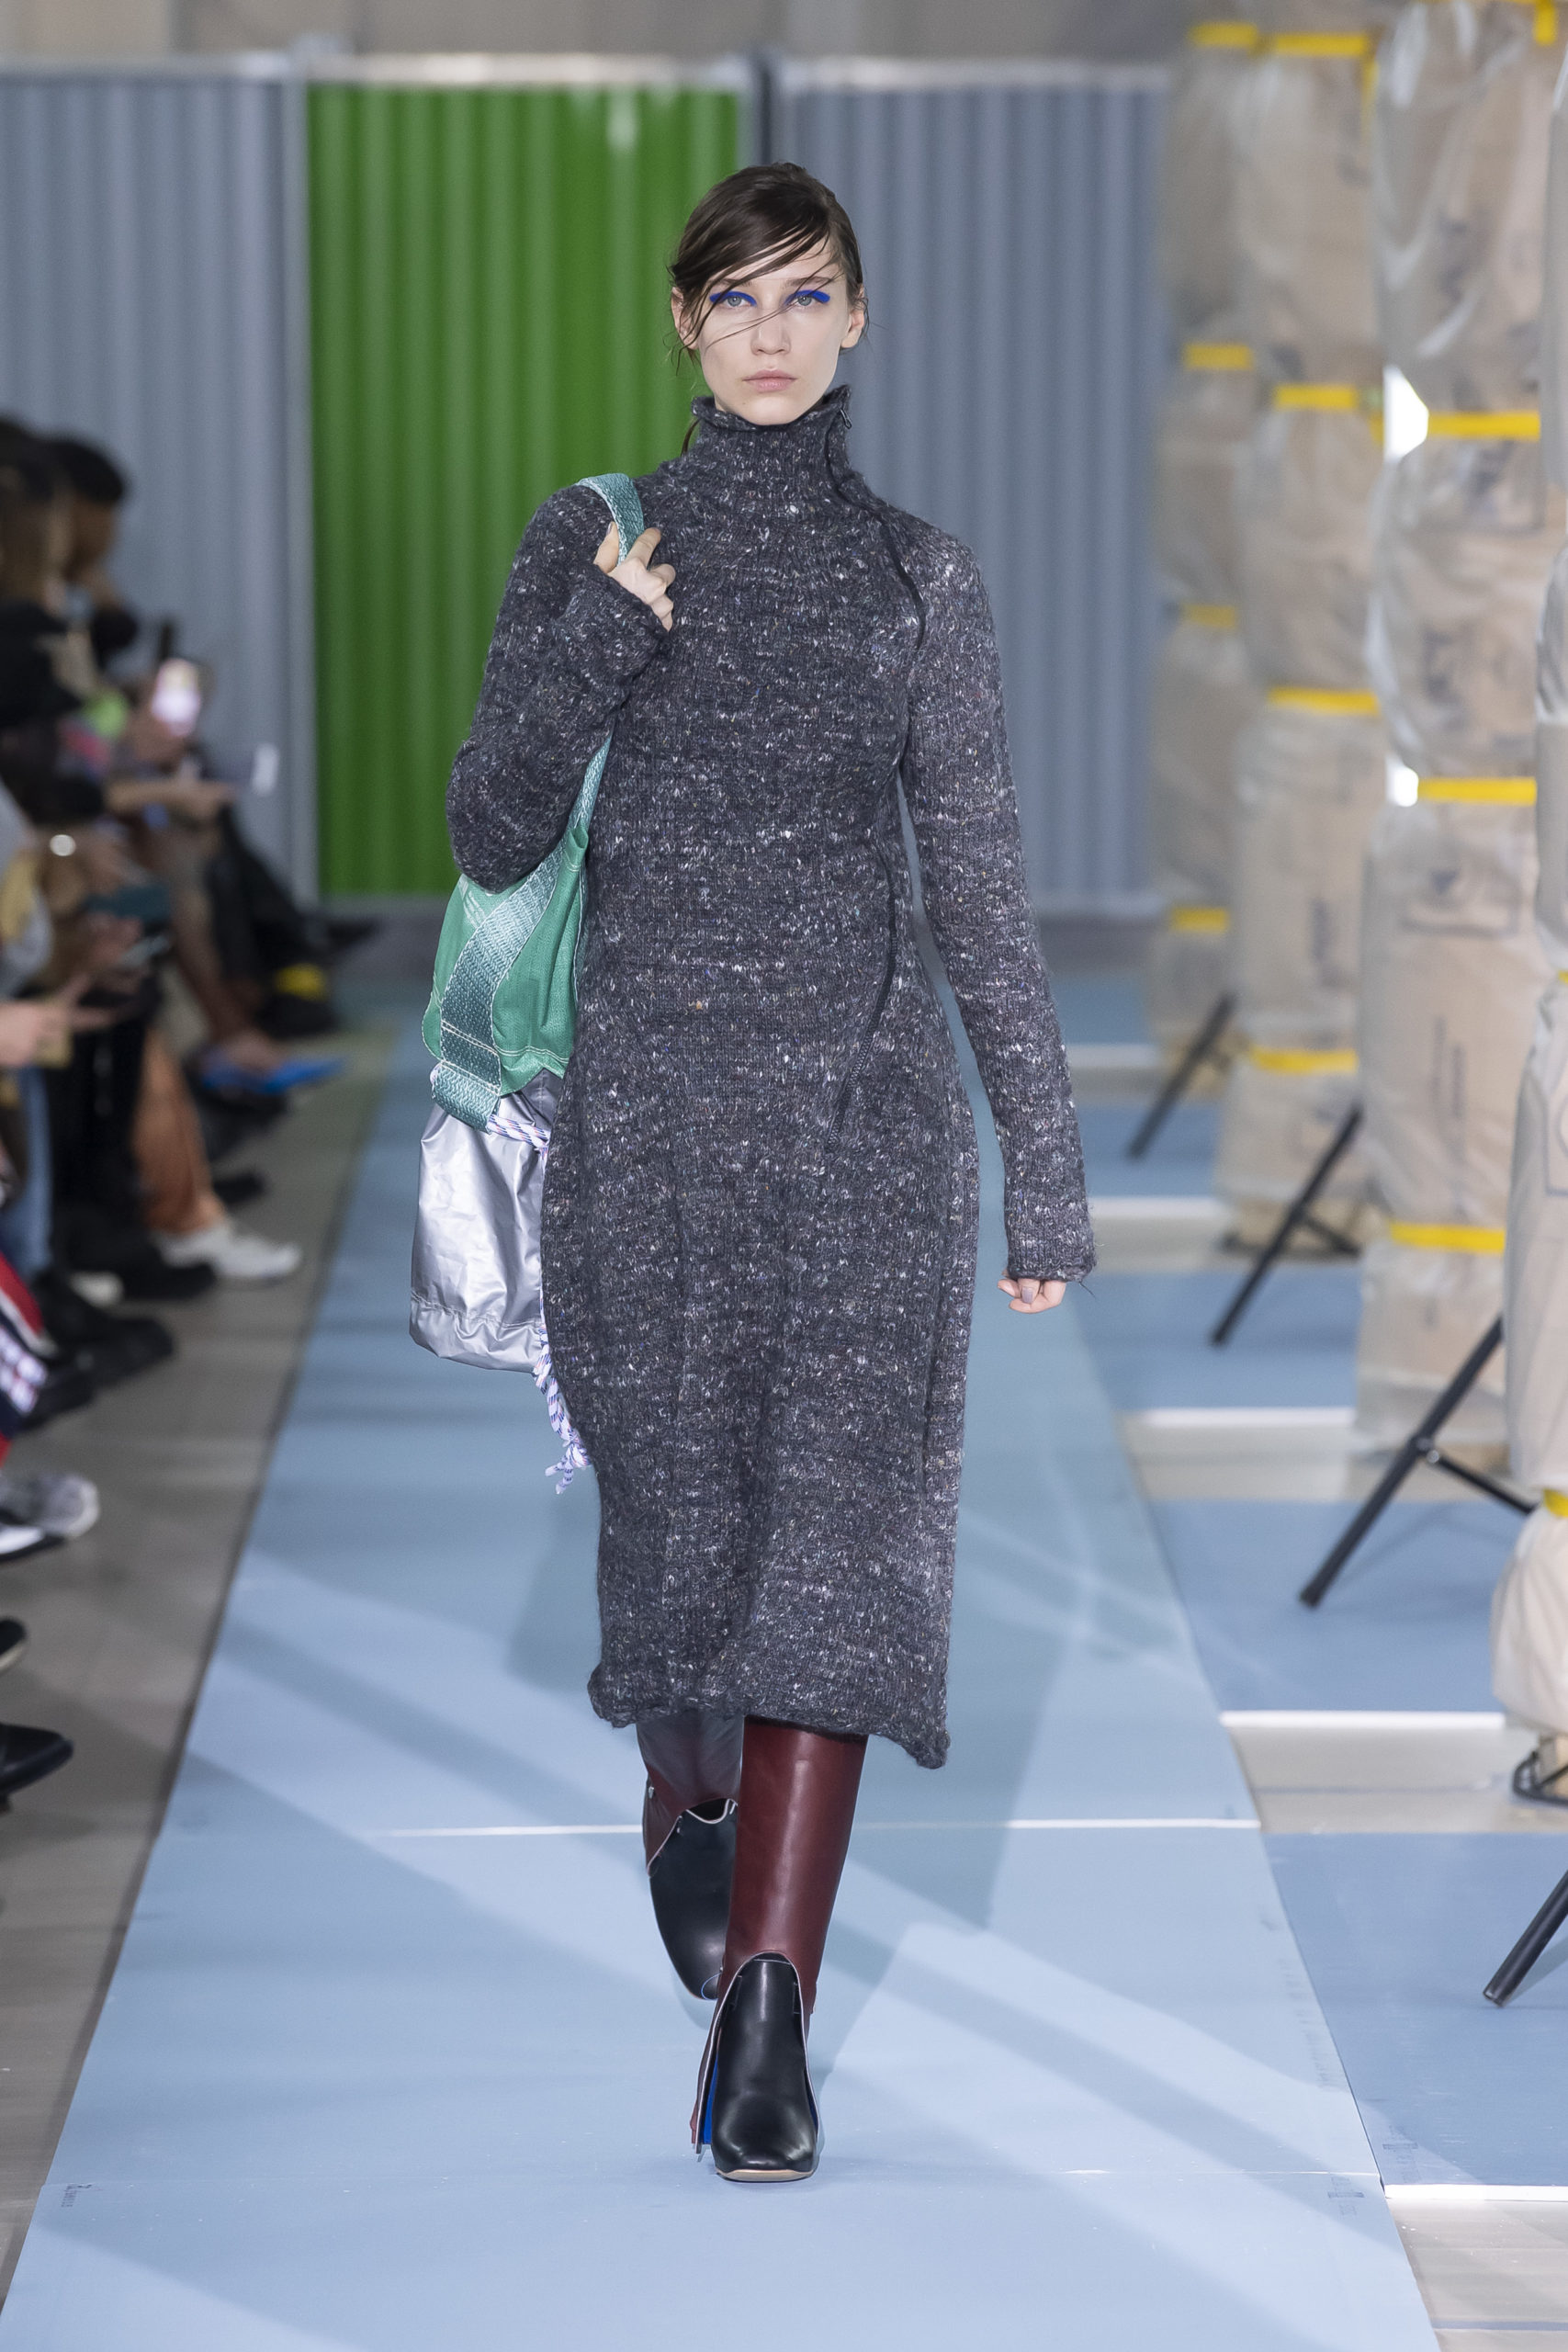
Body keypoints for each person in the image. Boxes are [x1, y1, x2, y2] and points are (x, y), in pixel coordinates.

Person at [446, 163, 1093, 2183]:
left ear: (858, 319)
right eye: (734, 299)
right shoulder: (596, 539)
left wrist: (1043, 1168)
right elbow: (487, 829)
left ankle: (770, 2018)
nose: (770, 334)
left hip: (864, 1141)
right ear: (683, 323)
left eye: (806, 296)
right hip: (645, 1139)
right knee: (680, 1567)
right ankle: (695, 1792)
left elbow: (977, 882)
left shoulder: (919, 579)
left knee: (832, 1570)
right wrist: (595, 645)